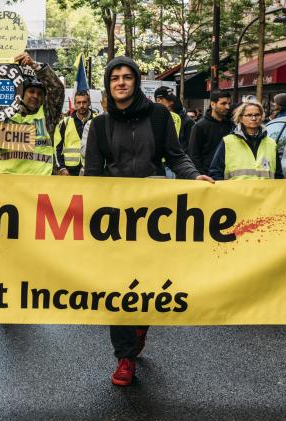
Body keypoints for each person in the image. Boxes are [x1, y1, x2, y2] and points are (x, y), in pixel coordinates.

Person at [83, 56, 214, 387]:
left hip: (154, 218)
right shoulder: (99, 126)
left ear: (137, 82)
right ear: (108, 84)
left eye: (127, 77)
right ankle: (125, 357)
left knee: (149, 282)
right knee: (118, 287)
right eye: (115, 78)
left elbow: (175, 155)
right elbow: (93, 177)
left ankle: (141, 325)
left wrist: (193, 176)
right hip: (114, 222)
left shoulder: (159, 117)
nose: (121, 83)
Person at [0, 51, 65, 175]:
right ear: (21, 93)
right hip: (7, 182)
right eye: (31, 91)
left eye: (40, 93)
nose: (36, 96)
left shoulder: (48, 115)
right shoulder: (2, 113)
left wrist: (34, 65)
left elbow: (57, 88)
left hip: (41, 183)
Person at [208, 100, 282, 180]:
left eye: (257, 115)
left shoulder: (271, 143)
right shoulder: (227, 142)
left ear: (262, 117)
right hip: (235, 192)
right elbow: (215, 173)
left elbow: (278, 175)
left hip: (265, 192)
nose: (253, 118)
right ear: (240, 118)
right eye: (249, 115)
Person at [187, 91, 235, 176]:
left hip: (228, 175)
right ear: (213, 104)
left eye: (229, 103)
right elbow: (194, 155)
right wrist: (202, 175)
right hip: (208, 177)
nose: (227, 107)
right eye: (223, 103)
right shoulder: (200, 126)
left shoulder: (231, 125)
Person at [53, 90, 95, 175]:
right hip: (70, 171)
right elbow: (57, 148)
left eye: (84, 102)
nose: (81, 105)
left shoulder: (97, 120)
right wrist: (61, 168)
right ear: (75, 104)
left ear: (89, 102)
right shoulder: (64, 123)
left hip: (92, 169)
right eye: (78, 103)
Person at [154, 86, 194, 153]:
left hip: (179, 161)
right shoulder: (154, 120)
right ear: (158, 101)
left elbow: (191, 149)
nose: (172, 103)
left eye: (172, 100)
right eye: (168, 100)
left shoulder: (187, 121)